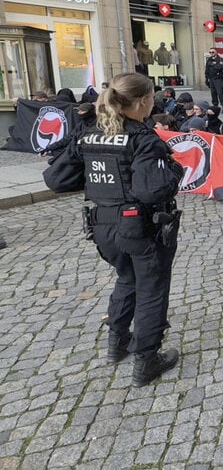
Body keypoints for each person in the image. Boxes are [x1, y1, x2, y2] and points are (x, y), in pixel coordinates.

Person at [42, 72, 183, 387]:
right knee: (151, 288)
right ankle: (147, 359)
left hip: (103, 225)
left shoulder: (88, 133)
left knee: (127, 279)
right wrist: (174, 169)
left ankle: (118, 343)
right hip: (139, 226)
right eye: (152, 99)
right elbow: (153, 190)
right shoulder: (143, 138)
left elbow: (57, 179)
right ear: (144, 101)